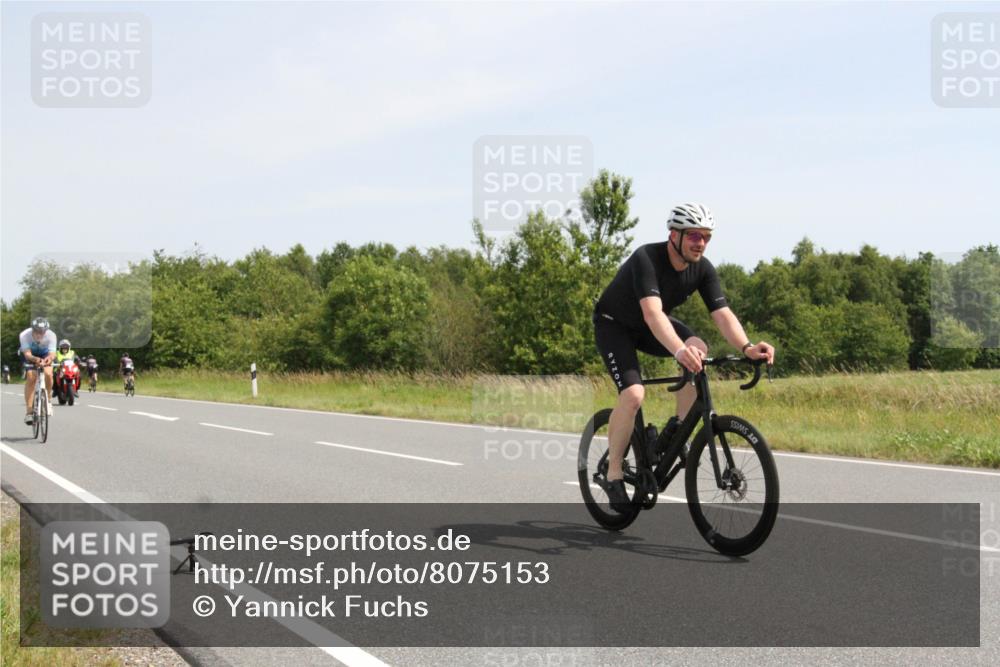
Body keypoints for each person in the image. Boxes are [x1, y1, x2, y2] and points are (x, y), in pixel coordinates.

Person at [593, 203, 775, 512]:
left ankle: (675, 430)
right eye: (693, 235)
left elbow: (722, 314)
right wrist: (679, 351)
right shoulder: (646, 258)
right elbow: (652, 314)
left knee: (698, 347)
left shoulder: (702, 269)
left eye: (706, 237)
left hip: (651, 325)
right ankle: (613, 473)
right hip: (616, 325)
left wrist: (746, 347)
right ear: (673, 235)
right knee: (634, 393)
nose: (700, 243)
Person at [19, 317, 57, 424]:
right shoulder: (24, 335)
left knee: (48, 373)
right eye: (37, 332)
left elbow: (52, 354)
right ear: (32, 330)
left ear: (46, 331)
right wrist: (36, 360)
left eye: (42, 332)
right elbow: (27, 354)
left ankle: (48, 400)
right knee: (31, 376)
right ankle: (29, 412)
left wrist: (48, 359)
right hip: (31, 355)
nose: (39, 334)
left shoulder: (51, 335)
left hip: (45, 354)